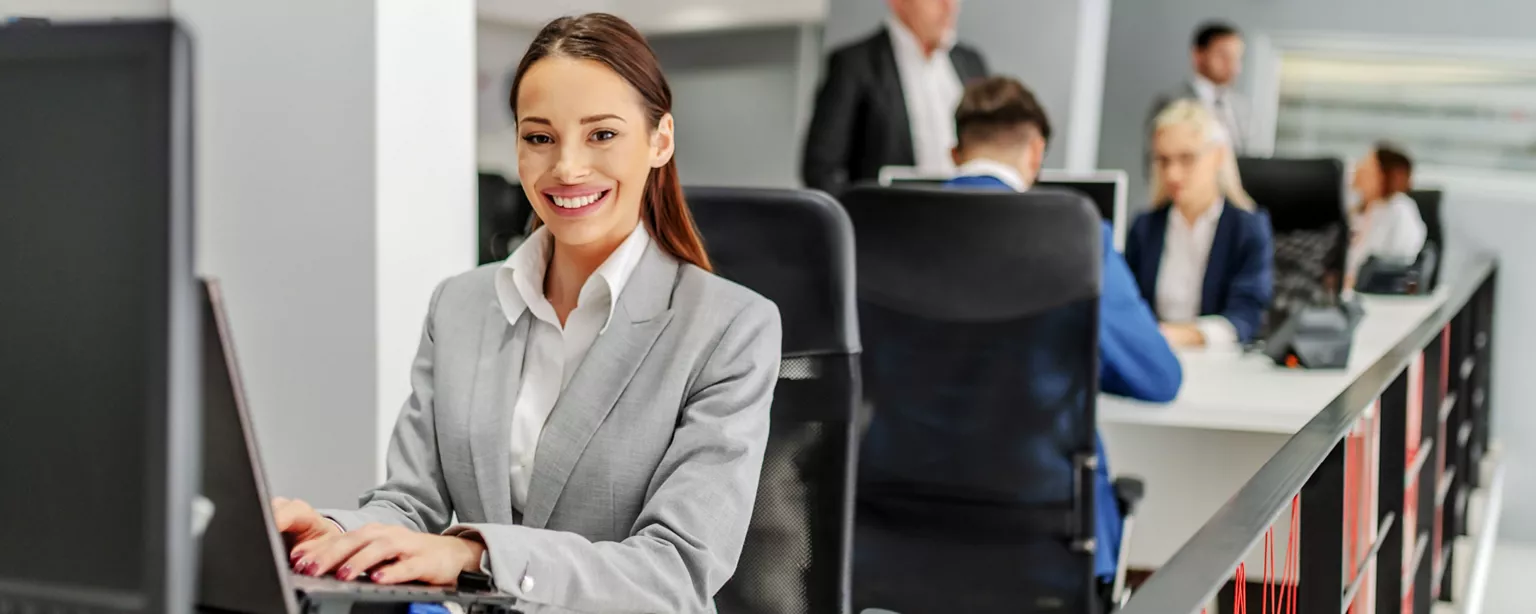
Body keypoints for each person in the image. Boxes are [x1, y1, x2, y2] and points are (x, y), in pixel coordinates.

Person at [269, 14, 782, 613]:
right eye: (540, 137)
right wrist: (334, 536)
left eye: (602, 135)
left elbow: (674, 570)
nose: (567, 168)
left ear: (660, 140)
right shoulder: (460, 306)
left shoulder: (729, 328)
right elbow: (410, 506)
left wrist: (479, 557)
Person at [942, 76, 1182, 593]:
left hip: (901, 532)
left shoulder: (875, 231)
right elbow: (1158, 377)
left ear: (954, 152)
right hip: (1044, 541)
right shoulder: (1074, 236)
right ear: (1036, 152)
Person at [1126, 99, 1273, 350]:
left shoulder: (1247, 229)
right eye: (1163, 160)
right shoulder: (1145, 228)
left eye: (1187, 158)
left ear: (1217, 156)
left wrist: (1173, 335)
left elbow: (1246, 317)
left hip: (1217, 364)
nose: (1172, 174)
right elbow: (1127, 303)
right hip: (1152, 357)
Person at [801, 0, 988, 196]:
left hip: (966, 212)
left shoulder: (970, 62)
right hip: (890, 217)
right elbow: (821, 168)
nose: (949, 7)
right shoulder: (854, 65)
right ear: (898, 3)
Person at [1148, 21, 1250, 157]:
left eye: (1236, 57)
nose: (1233, 66)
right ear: (1198, 56)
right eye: (1223, 56)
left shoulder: (1241, 107)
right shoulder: (1171, 102)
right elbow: (1156, 161)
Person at [1347, 143, 1428, 285]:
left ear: (1386, 176)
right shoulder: (1359, 207)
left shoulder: (1400, 209)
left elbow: (1399, 260)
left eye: (1367, 169)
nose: (1357, 172)